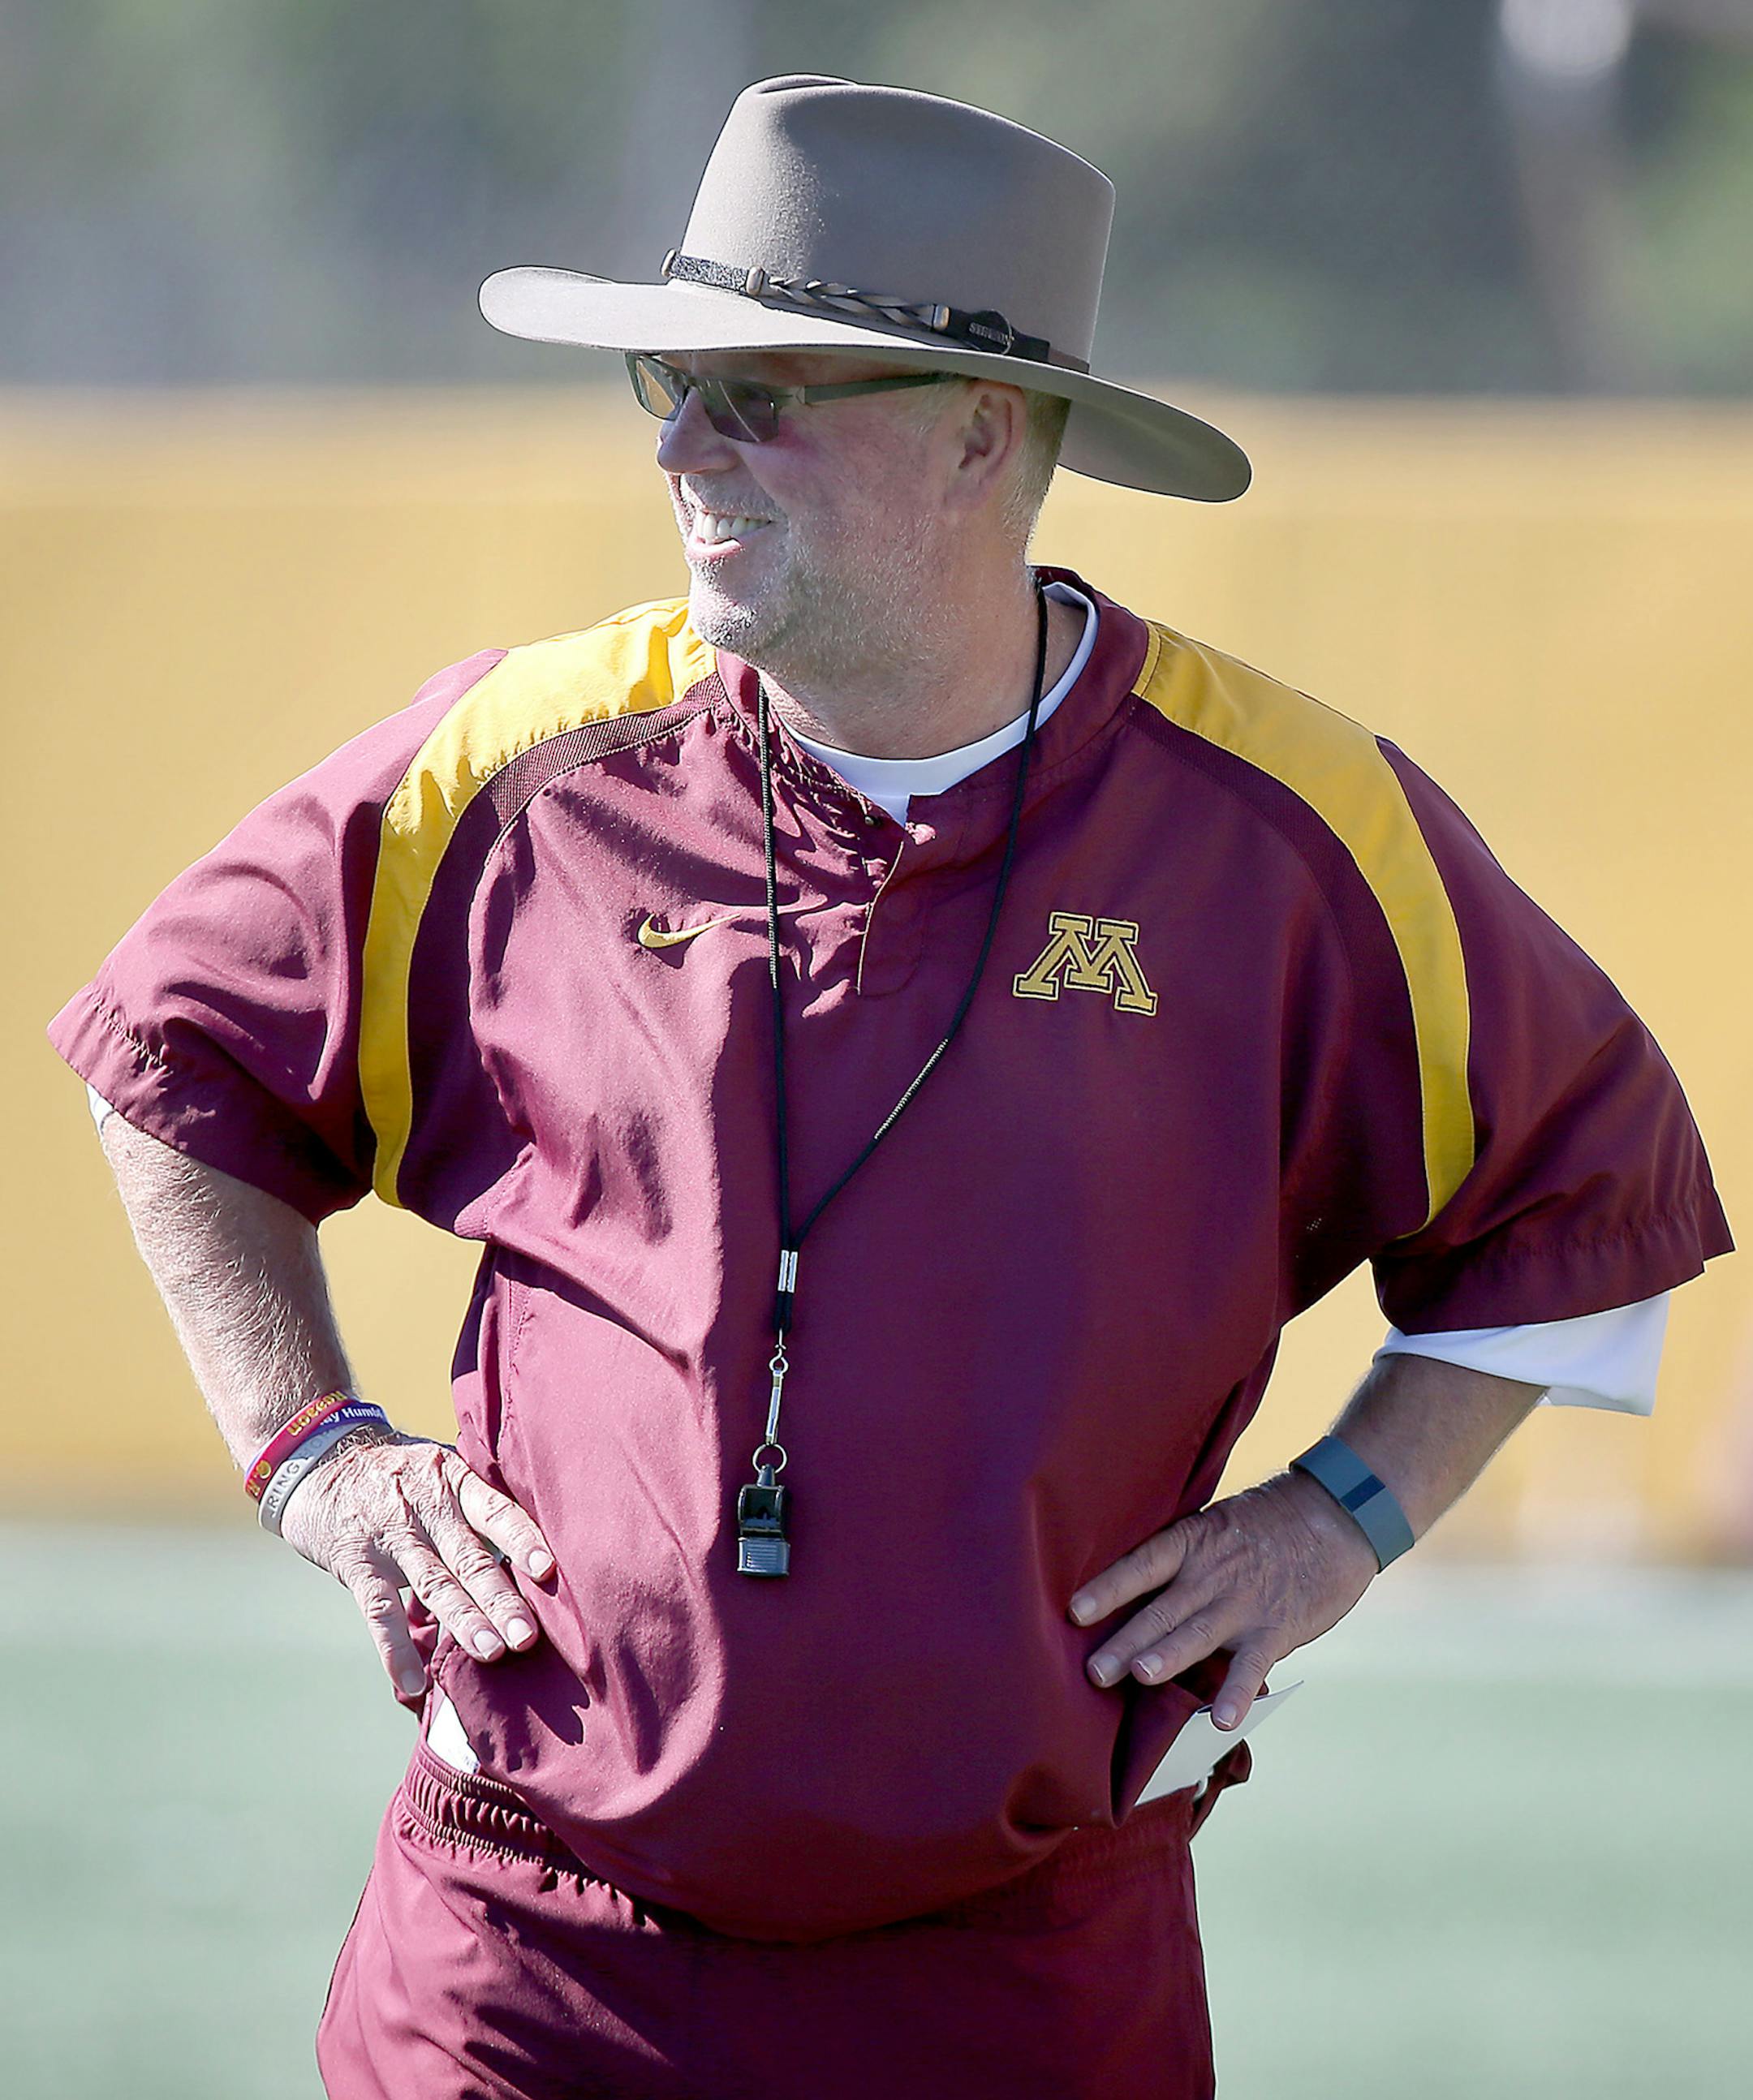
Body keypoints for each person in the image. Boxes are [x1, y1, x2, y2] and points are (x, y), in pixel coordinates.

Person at [51, 75, 1729, 2100]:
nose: (682, 443)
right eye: (670, 381)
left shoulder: (1290, 831)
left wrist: (1342, 1518)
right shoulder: (519, 763)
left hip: (1026, 1978)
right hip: (523, 1958)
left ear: (979, 433)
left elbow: (1590, 1198)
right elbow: (171, 1053)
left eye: (759, 394)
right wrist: (316, 1450)